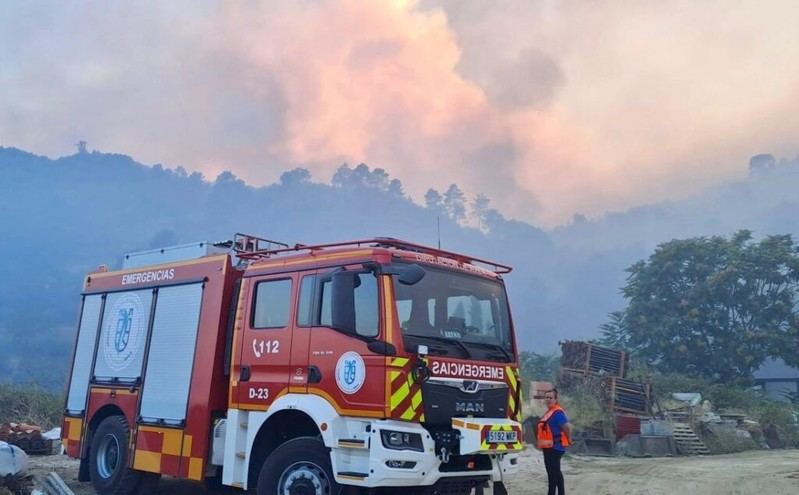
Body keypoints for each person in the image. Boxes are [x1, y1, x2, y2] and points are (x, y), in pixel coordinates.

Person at [537, 388, 571, 495]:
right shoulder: (550, 412)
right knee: (556, 473)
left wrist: (569, 439)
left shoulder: (557, 413)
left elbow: (566, 427)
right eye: (546, 397)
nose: (548, 399)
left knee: (552, 475)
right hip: (549, 447)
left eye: (550, 398)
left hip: (555, 448)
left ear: (556, 399)